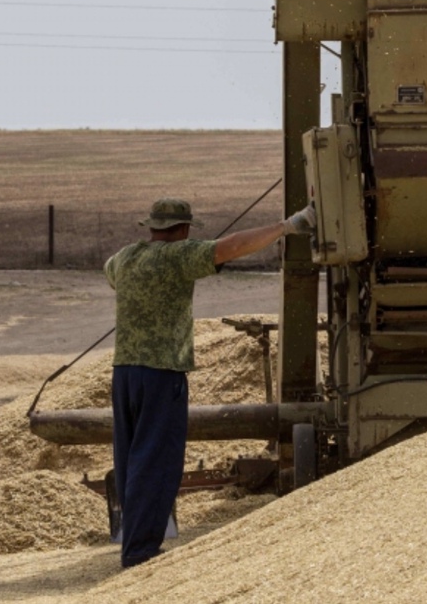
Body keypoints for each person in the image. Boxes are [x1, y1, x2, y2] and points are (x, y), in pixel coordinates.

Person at [104, 196, 315, 568]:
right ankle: (140, 552)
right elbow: (231, 247)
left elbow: (110, 274)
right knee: (156, 460)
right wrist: (288, 226)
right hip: (161, 372)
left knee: (131, 459)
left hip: (124, 373)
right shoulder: (177, 257)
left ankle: (134, 542)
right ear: (183, 231)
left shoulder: (123, 258)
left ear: (151, 227)